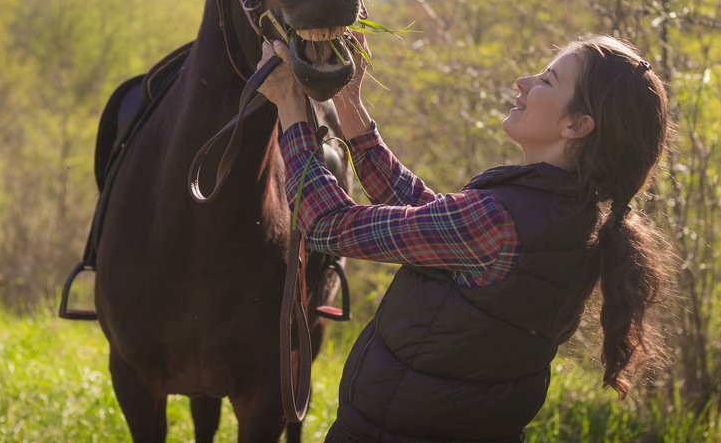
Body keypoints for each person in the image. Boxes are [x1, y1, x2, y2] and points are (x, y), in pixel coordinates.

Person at [258, 33, 673, 443]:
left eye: (546, 80)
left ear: (576, 125)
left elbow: (327, 224)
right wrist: (348, 100)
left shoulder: (498, 219)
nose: (523, 83)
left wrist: (290, 106)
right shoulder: (577, 217)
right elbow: (427, 216)